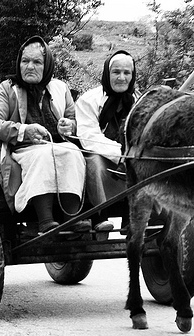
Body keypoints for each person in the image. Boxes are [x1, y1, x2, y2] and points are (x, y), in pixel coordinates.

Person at [0, 35, 89, 236]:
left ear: (47, 65)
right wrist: (23, 131)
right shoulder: (8, 89)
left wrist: (70, 126)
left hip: (57, 146)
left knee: (73, 152)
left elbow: (74, 120)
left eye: (37, 62)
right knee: (44, 155)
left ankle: (72, 218)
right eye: (25, 61)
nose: (30, 66)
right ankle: (45, 221)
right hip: (22, 151)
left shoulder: (59, 88)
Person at [75, 50, 138, 239]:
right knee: (94, 162)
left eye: (127, 73)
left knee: (143, 163)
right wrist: (121, 153)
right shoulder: (89, 100)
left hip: (129, 157)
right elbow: (89, 137)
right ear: (106, 73)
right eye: (116, 72)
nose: (122, 77)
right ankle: (100, 218)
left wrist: (132, 153)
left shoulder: (138, 101)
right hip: (100, 156)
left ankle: (132, 219)